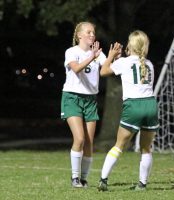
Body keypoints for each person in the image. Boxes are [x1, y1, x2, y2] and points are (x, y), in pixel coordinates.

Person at [97, 30, 159, 191]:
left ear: (130, 45)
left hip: (133, 106)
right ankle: (142, 184)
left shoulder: (124, 62)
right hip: (150, 105)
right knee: (146, 148)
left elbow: (103, 71)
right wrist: (117, 60)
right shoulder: (149, 64)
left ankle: (103, 180)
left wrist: (110, 56)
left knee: (119, 145)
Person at [61, 21, 106, 188]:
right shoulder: (72, 52)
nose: (92, 35)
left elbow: (108, 67)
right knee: (79, 138)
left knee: (89, 142)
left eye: (93, 32)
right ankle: (74, 178)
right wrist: (92, 57)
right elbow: (77, 68)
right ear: (79, 35)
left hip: (90, 100)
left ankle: (84, 178)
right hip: (72, 97)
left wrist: (115, 58)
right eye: (88, 32)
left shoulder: (98, 54)